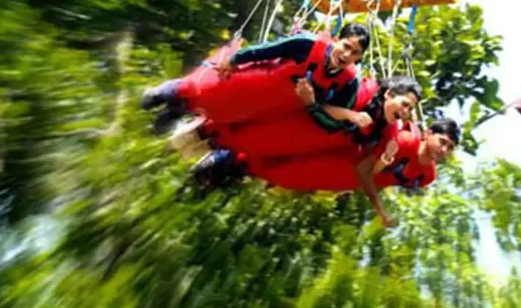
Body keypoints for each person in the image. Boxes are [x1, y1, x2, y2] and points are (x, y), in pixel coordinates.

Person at [141, 23, 370, 134]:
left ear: (359, 57)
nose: (347, 55)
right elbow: (268, 49)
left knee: (222, 112)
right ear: (337, 41)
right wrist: (235, 59)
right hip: (253, 81)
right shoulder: (308, 44)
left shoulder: (348, 83)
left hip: (265, 107)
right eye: (346, 46)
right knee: (208, 89)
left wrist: (313, 104)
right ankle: (166, 92)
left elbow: (332, 121)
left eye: (355, 53)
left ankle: (177, 112)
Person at [193, 75, 422, 183]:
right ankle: (204, 134)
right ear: (389, 94)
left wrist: (386, 159)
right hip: (299, 123)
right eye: (404, 105)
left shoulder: (389, 131)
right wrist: (349, 115)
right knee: (250, 136)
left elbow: (371, 169)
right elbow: (322, 102)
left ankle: (211, 174)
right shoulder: (363, 90)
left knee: (254, 158)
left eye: (409, 110)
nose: (404, 113)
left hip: (312, 146)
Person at [240, 117, 460, 227]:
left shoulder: (427, 176)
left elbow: (384, 179)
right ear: (428, 133)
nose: (443, 150)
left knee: (283, 178)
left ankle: (236, 167)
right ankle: (232, 155)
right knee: (283, 164)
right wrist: (380, 211)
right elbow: (364, 169)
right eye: (442, 142)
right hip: (342, 160)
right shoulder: (404, 141)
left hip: (345, 181)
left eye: (449, 147)